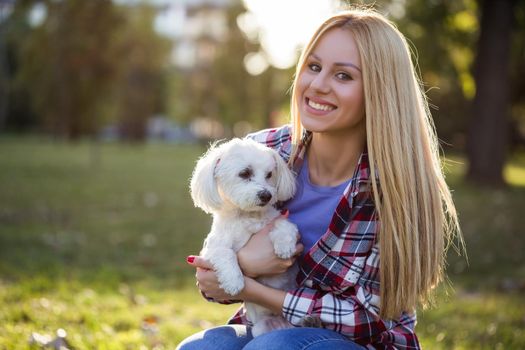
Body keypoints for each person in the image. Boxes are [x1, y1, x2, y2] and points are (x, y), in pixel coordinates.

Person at [178, 7, 463, 350]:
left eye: (343, 76)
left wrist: (249, 286)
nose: (318, 85)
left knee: (274, 348)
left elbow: (368, 320)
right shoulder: (267, 152)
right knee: (201, 348)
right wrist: (239, 265)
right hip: (267, 327)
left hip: (363, 342)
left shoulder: (397, 187)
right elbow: (213, 283)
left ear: (380, 90)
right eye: (313, 67)